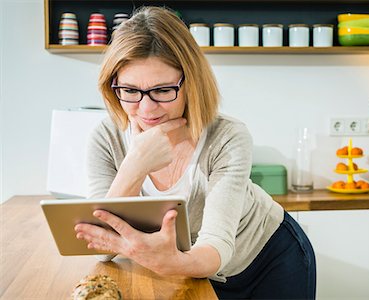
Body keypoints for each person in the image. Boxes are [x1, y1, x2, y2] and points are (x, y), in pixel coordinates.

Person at [74, 6, 316, 299]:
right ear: (112, 88)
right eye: (130, 90)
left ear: (191, 83)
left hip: (269, 257)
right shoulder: (105, 138)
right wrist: (134, 166)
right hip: (192, 268)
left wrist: (172, 262)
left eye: (163, 90)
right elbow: (101, 247)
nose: (147, 109)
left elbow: (217, 243)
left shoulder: (227, 136)